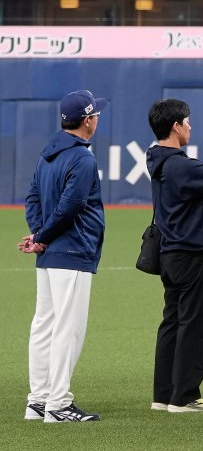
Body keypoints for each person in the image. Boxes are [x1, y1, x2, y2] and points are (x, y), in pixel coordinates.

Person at [146, 98, 203, 413]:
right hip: (192, 253)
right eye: (186, 122)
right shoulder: (179, 165)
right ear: (175, 126)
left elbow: (199, 172)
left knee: (172, 322)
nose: (189, 126)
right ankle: (185, 396)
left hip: (171, 254)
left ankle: (164, 395)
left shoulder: (161, 159)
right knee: (196, 324)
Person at [22, 89, 107, 424]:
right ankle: (58, 404)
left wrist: (39, 237)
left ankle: (38, 401)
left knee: (44, 326)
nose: (98, 118)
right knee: (66, 330)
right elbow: (70, 207)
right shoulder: (83, 158)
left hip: (49, 254)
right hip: (72, 251)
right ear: (87, 121)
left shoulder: (48, 153)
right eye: (95, 114)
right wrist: (41, 236)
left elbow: (32, 197)